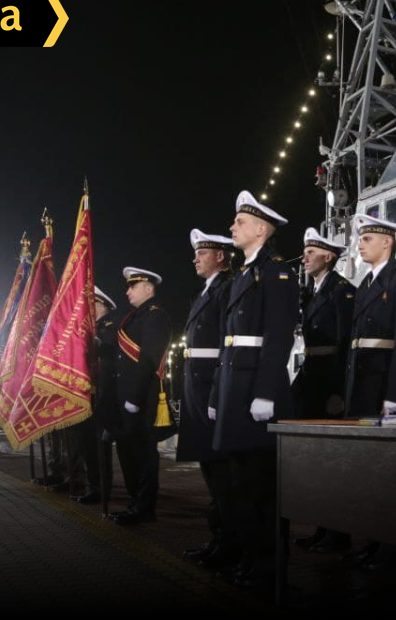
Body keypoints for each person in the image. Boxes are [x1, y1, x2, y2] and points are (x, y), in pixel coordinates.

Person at [208, 191, 299, 588]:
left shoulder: (276, 272)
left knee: (262, 486)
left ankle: (269, 564)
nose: (232, 227)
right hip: (234, 388)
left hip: (256, 391)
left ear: (261, 229)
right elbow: (226, 342)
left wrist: (266, 392)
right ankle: (251, 556)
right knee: (241, 484)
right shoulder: (244, 274)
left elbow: (278, 336)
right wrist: (217, 394)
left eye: (240, 222)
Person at [341, 213, 396, 573]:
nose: (359, 245)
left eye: (366, 239)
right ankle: (373, 543)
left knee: (389, 475)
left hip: (383, 391)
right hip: (361, 390)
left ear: (386, 242)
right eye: (360, 239)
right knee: (368, 474)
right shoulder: (366, 283)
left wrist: (395, 394)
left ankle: (391, 550)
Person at [178, 228, 242, 571]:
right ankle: (218, 538)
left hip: (210, 386)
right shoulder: (206, 290)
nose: (195, 259)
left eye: (201, 253)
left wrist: (218, 391)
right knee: (210, 470)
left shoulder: (227, 287)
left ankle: (230, 542)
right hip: (197, 387)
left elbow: (226, 346)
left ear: (220, 256)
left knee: (222, 475)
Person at [290, 226, 355, 555]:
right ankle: (322, 528)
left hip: (328, 380)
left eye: (311, 252)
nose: (304, 258)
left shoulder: (341, 291)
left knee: (332, 462)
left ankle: (338, 534)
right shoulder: (312, 292)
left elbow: (345, 345)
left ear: (329, 257)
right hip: (312, 374)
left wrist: (338, 391)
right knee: (316, 461)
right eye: (305, 252)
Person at [108, 267, 172, 525]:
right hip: (125, 397)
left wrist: (134, 398)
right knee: (129, 454)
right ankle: (135, 502)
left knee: (144, 456)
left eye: (132, 287)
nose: (127, 292)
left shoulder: (156, 316)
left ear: (148, 287)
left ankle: (144, 508)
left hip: (142, 398)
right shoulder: (133, 317)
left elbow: (148, 359)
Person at [87, 286, 123, 509]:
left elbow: (107, 349)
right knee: (89, 444)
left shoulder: (111, 325)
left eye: (90, 304)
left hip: (104, 393)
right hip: (89, 393)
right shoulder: (93, 327)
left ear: (101, 305)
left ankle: (102, 488)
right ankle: (93, 486)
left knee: (100, 445)